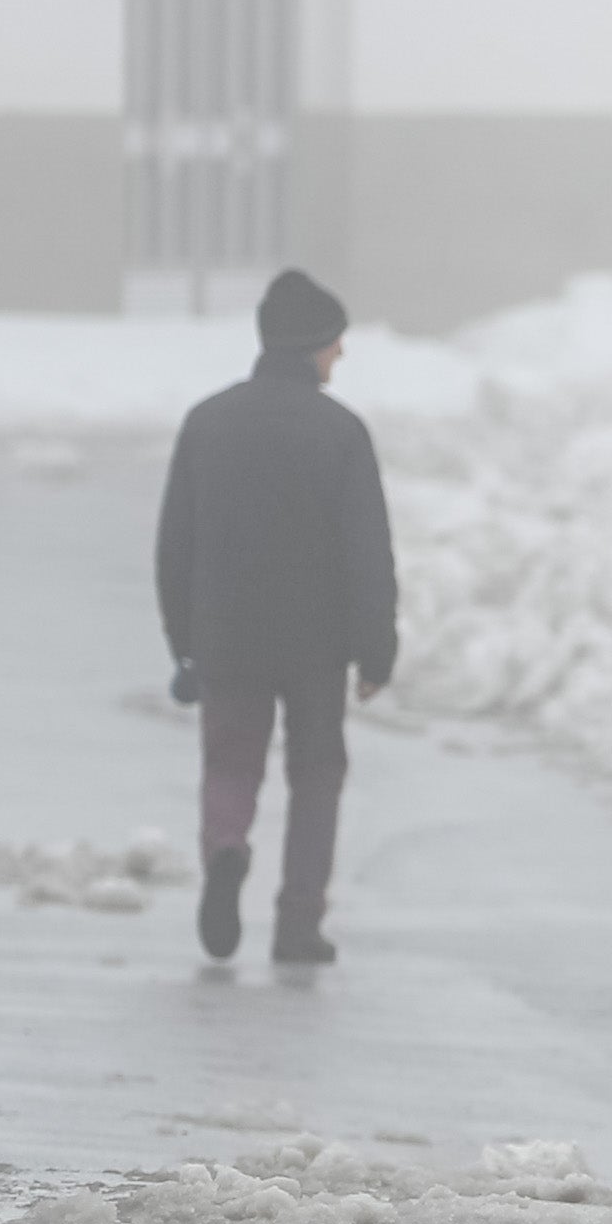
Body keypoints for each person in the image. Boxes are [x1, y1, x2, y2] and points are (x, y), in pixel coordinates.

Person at [155, 268, 398, 969]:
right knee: (316, 773)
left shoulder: (207, 421)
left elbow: (176, 543)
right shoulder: (342, 431)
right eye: (336, 342)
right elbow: (367, 552)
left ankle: (227, 848)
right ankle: (297, 922)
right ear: (313, 345)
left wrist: (184, 643)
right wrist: (375, 652)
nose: (342, 354)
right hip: (316, 648)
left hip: (225, 637)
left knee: (230, 761)